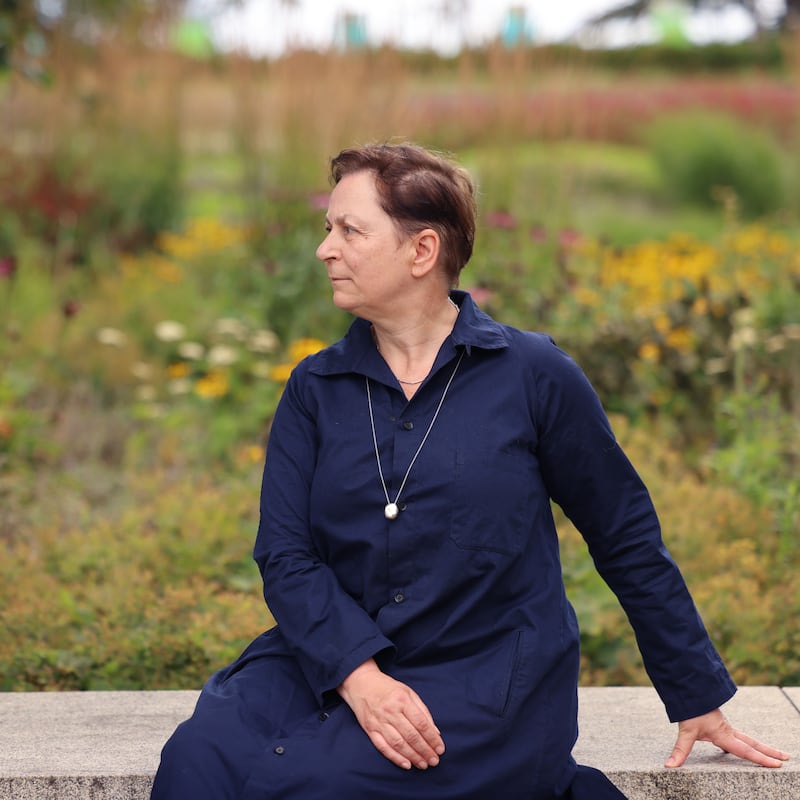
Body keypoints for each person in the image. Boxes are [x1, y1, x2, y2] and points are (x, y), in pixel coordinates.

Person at [151, 143, 789, 799]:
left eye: (349, 230)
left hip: (485, 681)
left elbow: (623, 532)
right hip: (326, 663)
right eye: (328, 229)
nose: (325, 249)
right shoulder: (315, 388)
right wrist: (360, 677)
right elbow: (285, 555)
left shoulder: (534, 376)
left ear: (421, 251)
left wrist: (695, 693)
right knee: (196, 759)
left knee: (320, 782)